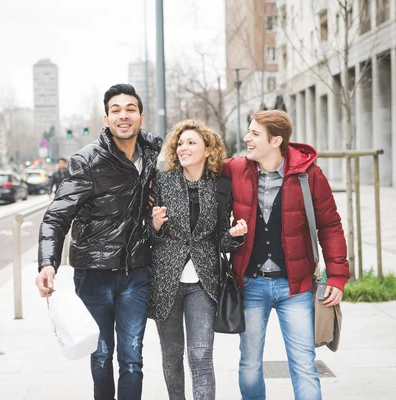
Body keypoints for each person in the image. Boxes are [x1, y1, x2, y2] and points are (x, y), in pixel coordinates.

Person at [35, 83, 162, 400]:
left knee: (132, 359)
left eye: (130, 109)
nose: (124, 116)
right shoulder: (87, 160)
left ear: (141, 117)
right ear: (106, 119)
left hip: (138, 273)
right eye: (116, 110)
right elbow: (57, 216)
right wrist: (47, 263)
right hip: (93, 274)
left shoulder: (155, 157)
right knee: (102, 355)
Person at [223, 110, 350, 400]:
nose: (247, 138)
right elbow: (197, 172)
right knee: (250, 365)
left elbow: (330, 226)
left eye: (255, 134)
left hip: (296, 287)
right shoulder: (236, 169)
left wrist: (338, 275)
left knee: (303, 364)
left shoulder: (309, 176)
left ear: (276, 140)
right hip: (251, 285)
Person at [149, 120, 248, 400]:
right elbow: (147, 238)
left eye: (192, 142)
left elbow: (221, 242)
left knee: (201, 355)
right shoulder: (162, 181)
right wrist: (154, 225)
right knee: (171, 354)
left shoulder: (220, 187)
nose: (184, 147)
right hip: (165, 281)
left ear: (207, 150)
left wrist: (234, 235)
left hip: (203, 283)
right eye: (180, 143)